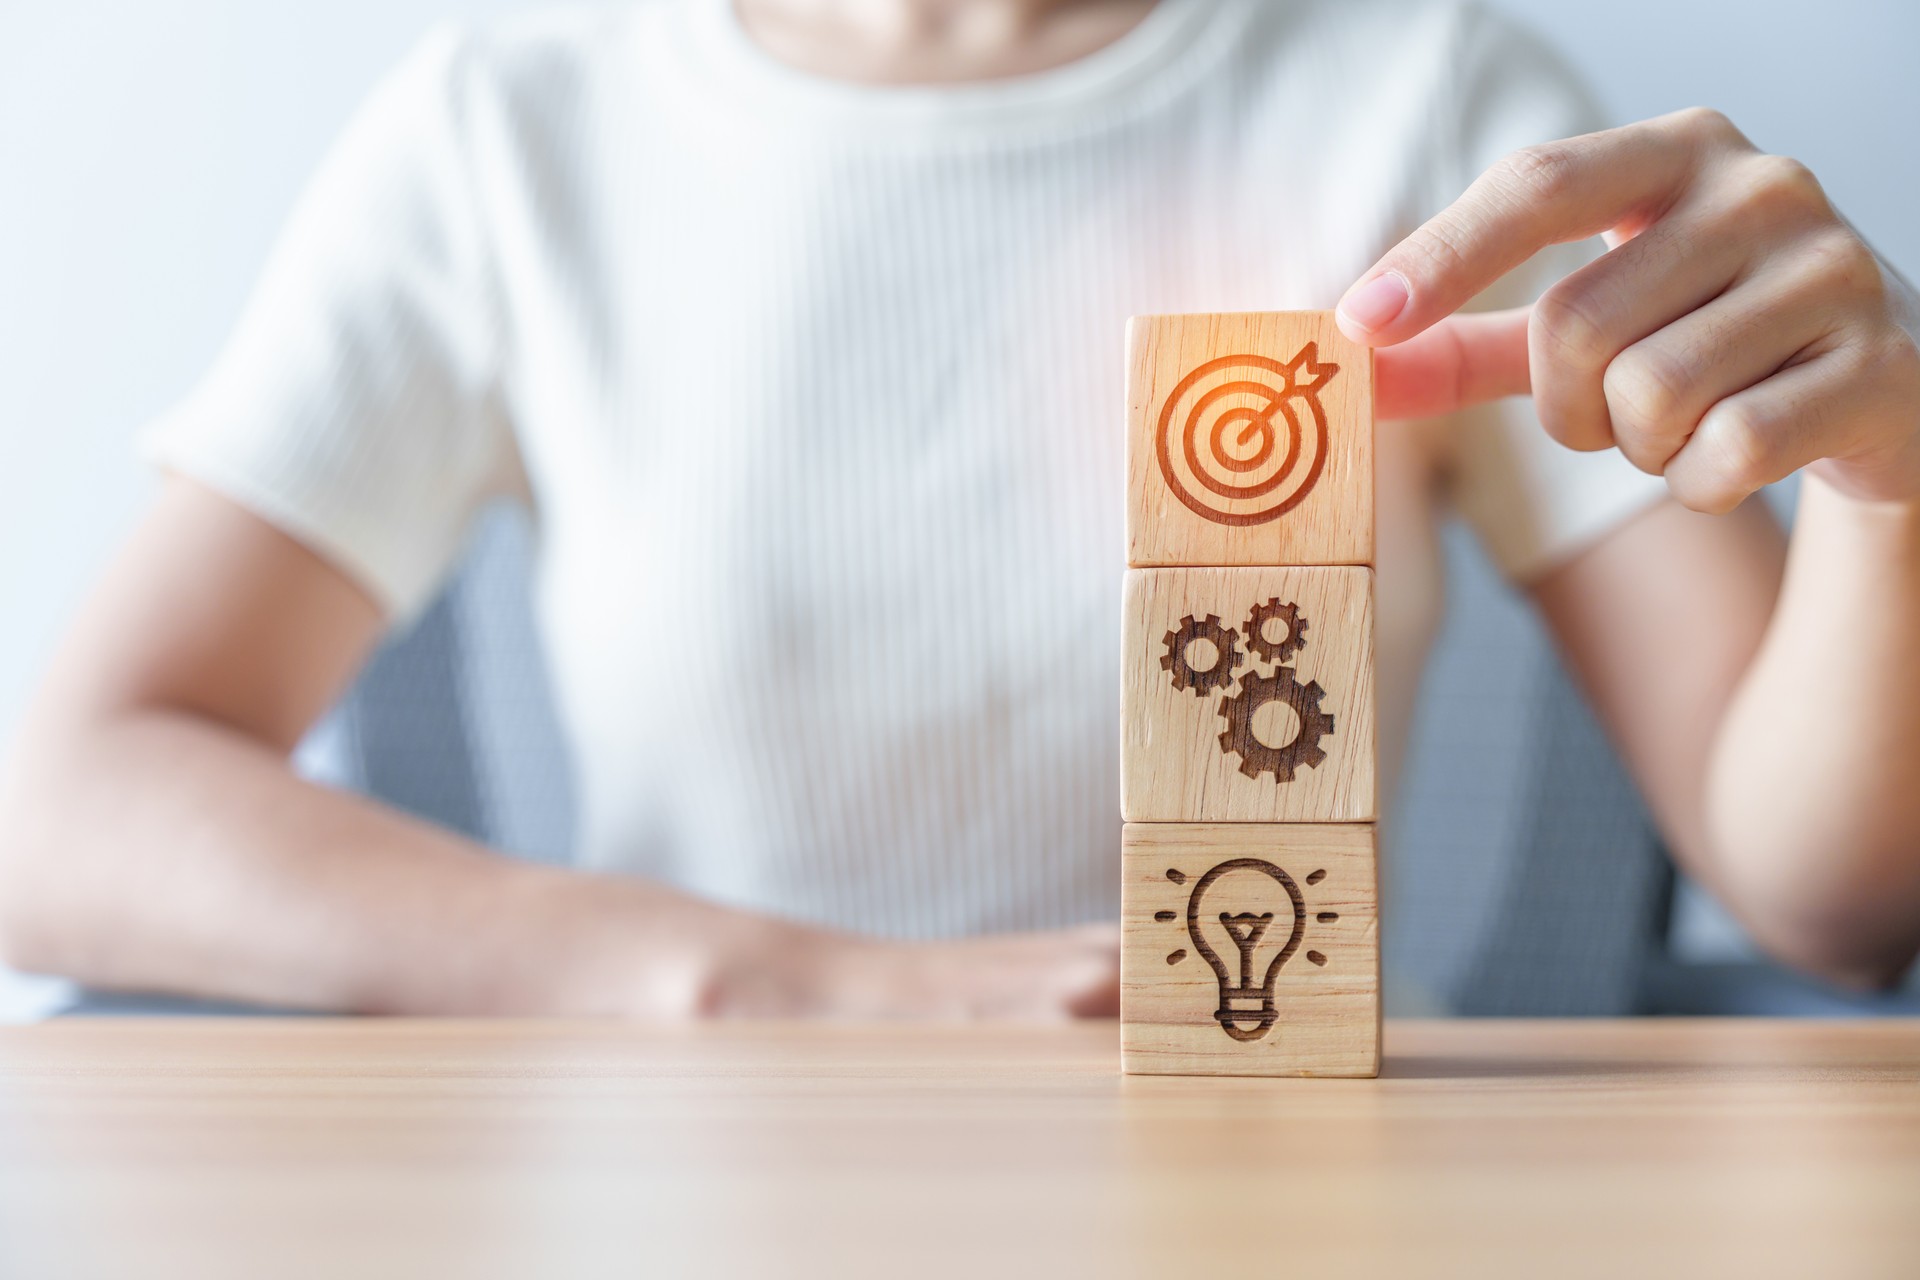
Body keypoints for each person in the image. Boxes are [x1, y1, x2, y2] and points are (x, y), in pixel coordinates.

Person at [1, 0, 1916, 1017]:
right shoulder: (505, 134)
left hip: (1290, 1192)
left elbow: (1832, 898)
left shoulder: (1425, 98)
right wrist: (776, 989)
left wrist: (1888, 479)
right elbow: (67, 814)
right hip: (693, 1195)